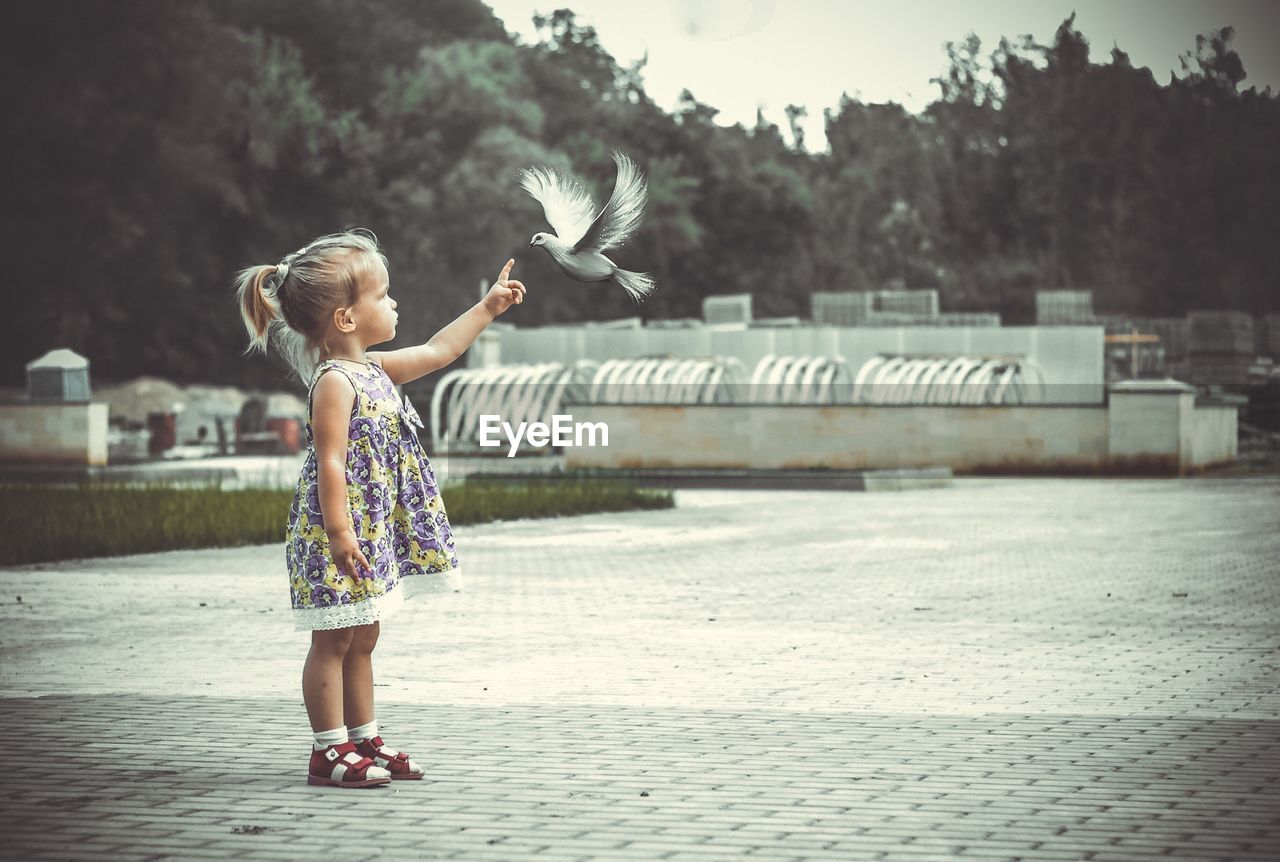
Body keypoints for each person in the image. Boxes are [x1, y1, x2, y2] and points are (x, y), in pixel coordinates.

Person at [235, 229, 526, 788]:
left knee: (364, 635)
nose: (394, 303)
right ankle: (329, 749)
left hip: (372, 531)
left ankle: (363, 736)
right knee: (334, 637)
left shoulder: (375, 369)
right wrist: (341, 534)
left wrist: (487, 307)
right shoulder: (335, 382)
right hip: (335, 534)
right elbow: (332, 463)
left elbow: (442, 350)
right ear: (346, 319)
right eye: (382, 295)